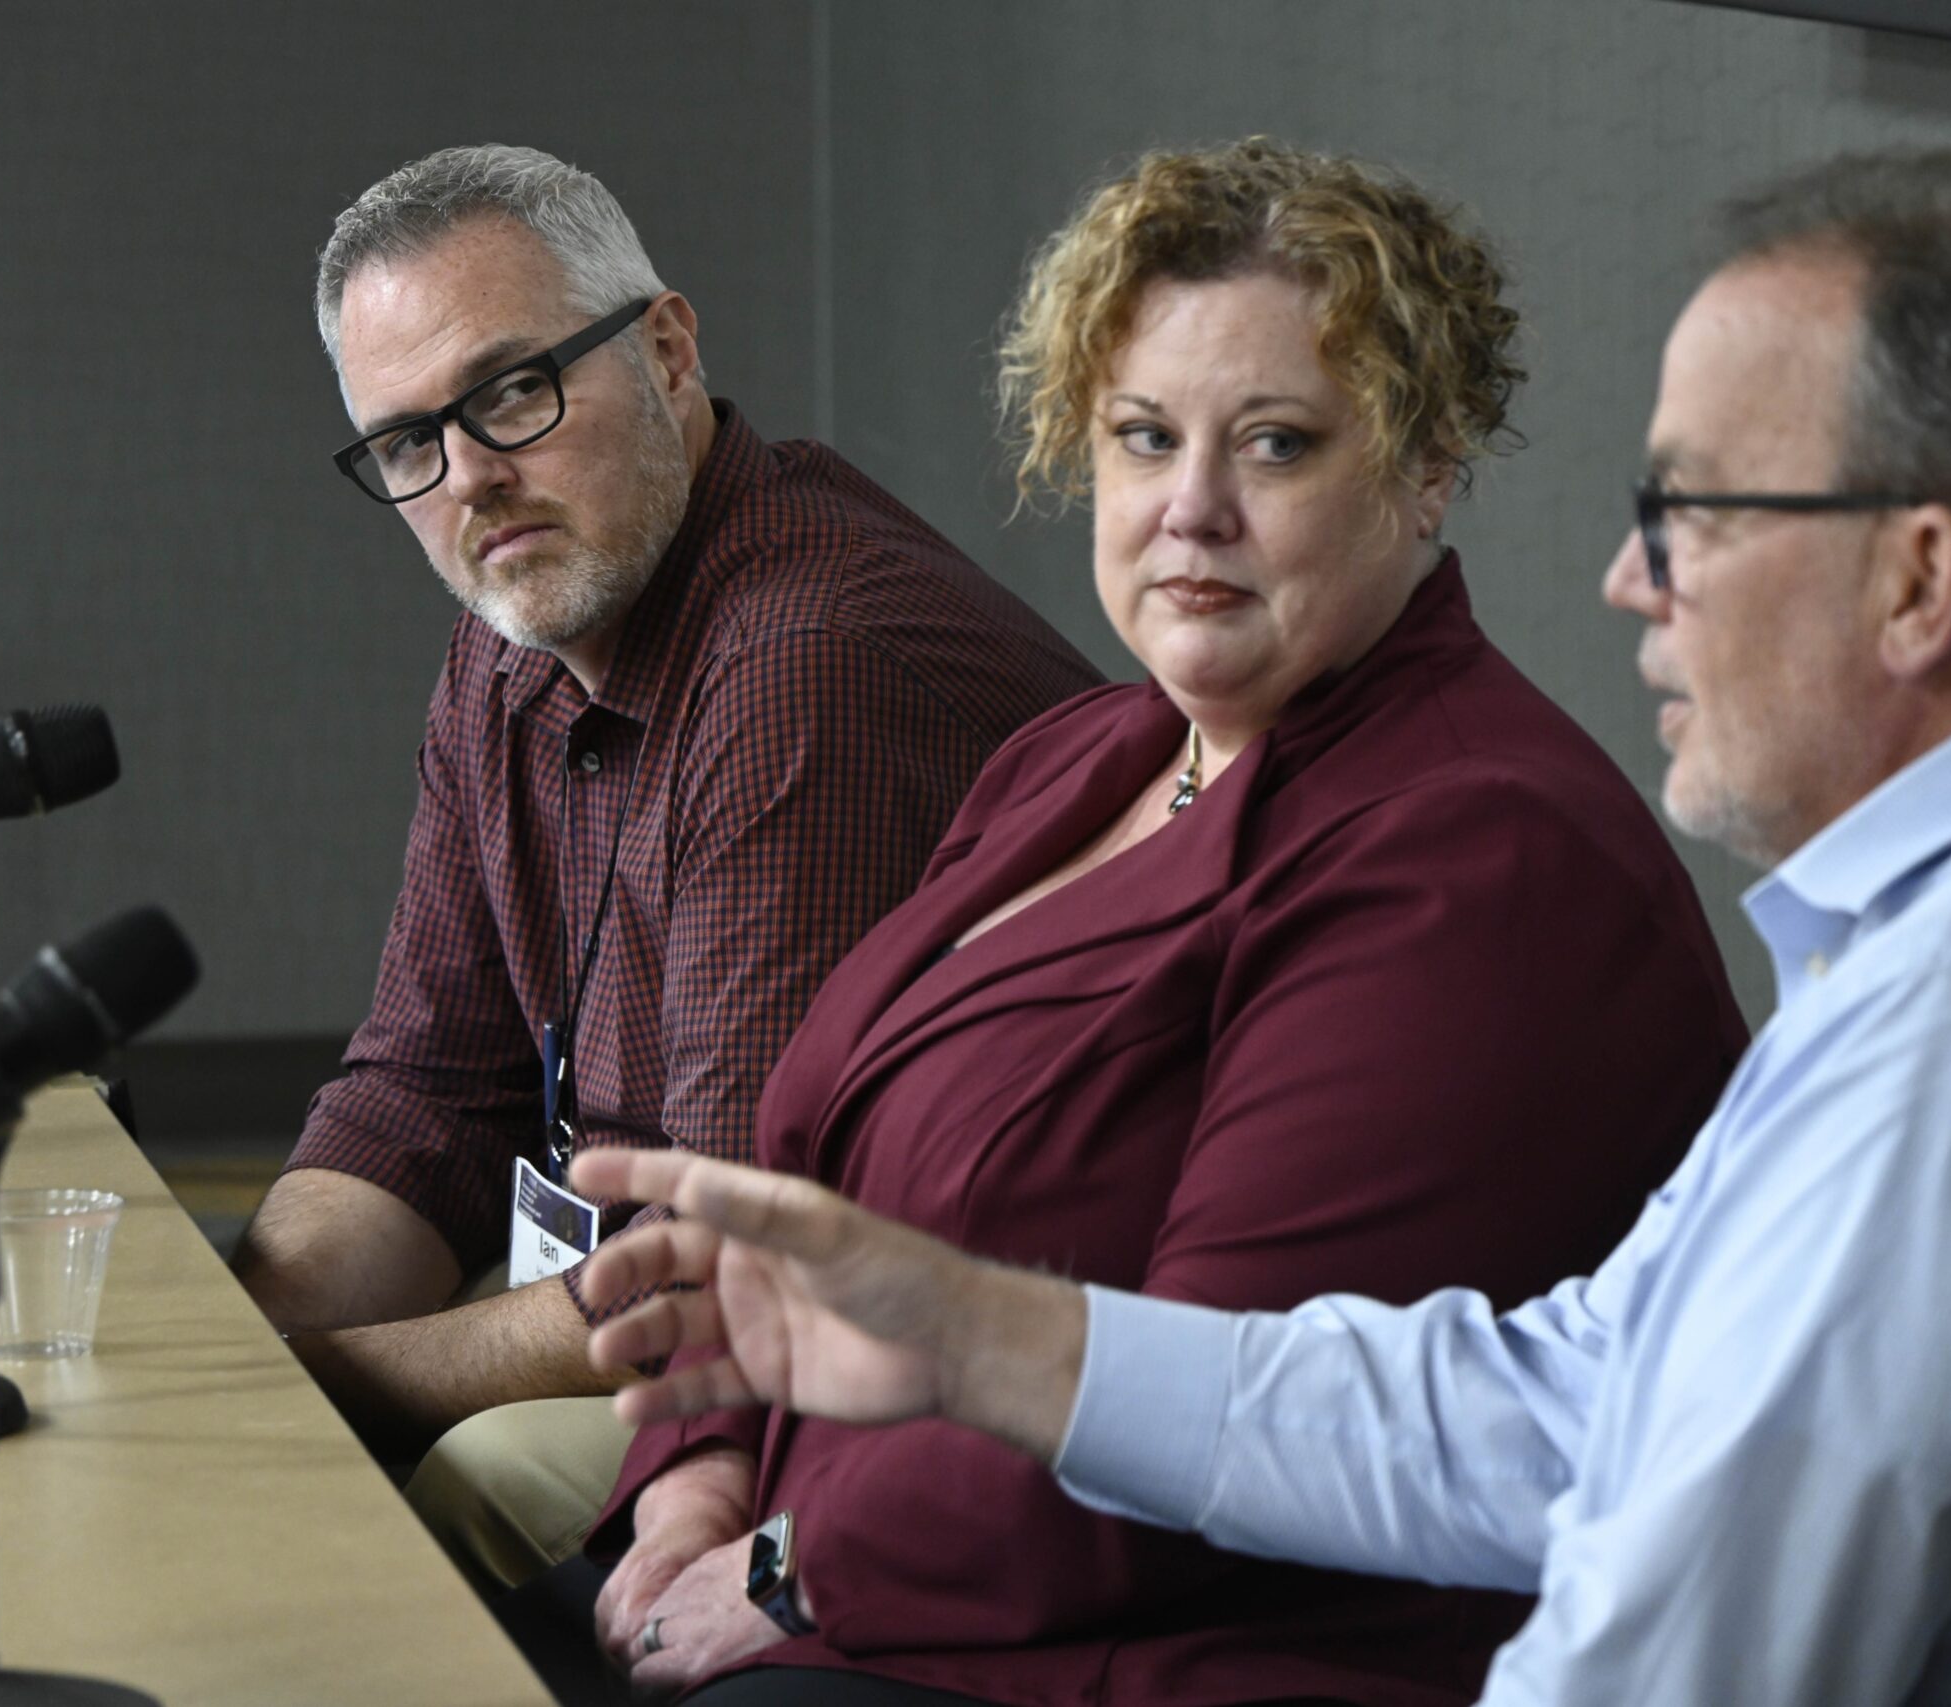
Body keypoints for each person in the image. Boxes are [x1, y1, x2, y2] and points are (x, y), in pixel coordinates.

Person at [576, 146, 1951, 1706]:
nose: (1631, 579)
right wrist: (978, 1337)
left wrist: (807, 1554)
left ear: (1918, 581)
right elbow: (1566, 1405)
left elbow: (1667, 1677)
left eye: (1693, 511)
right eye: (1143, 435)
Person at [557, 138, 1745, 1706]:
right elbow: (804, 1187)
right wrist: (702, 1473)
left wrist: (790, 1569)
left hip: (1174, 1655)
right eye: (1143, 437)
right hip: (857, 1575)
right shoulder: (1083, 754)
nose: (1192, 511)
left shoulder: (1482, 854)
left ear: (1427, 467)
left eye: (1276, 446)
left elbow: (1217, 1426)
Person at [234, 144, 1099, 1579]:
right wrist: (244, 1336)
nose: (471, 479)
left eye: (514, 391)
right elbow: (425, 1089)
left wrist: (308, 1384)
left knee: (446, 1486)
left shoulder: (804, 658)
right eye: (405, 444)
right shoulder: (509, 640)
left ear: (669, 351)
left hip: (926, 1355)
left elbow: (718, 1270)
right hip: (664, 1274)